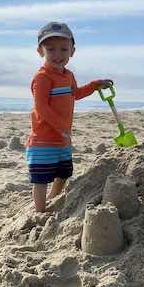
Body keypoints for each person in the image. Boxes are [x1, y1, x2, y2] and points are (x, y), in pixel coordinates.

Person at [26, 21, 113, 212]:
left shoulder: (68, 75)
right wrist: (61, 127)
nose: (58, 55)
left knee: (63, 173)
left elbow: (76, 94)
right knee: (41, 178)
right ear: (40, 52)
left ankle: (53, 198)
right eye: (51, 49)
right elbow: (41, 107)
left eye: (63, 49)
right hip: (44, 139)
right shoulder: (42, 78)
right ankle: (40, 211)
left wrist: (95, 85)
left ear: (72, 51)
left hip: (62, 138)